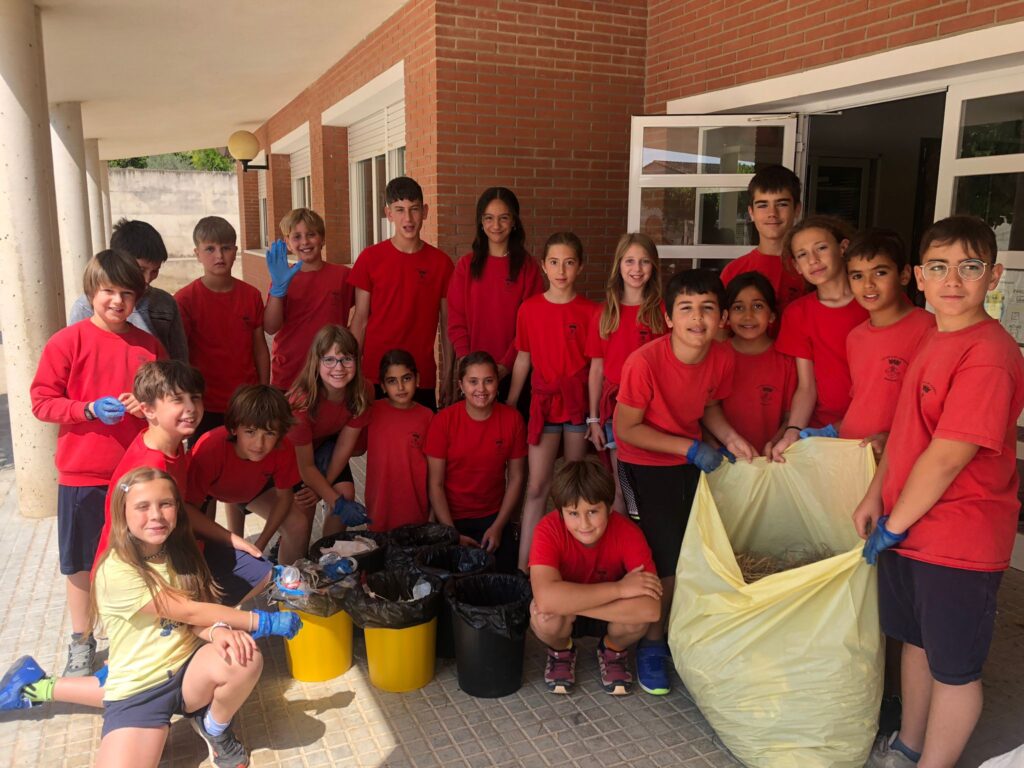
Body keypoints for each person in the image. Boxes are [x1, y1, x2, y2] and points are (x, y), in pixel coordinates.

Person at [853, 217, 1024, 768]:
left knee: (954, 667)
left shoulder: (990, 354)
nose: (954, 281)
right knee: (917, 645)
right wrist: (877, 495)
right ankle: (908, 745)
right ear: (919, 278)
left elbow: (950, 454)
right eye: (940, 267)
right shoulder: (935, 335)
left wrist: (896, 524)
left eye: (970, 268)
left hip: (958, 539)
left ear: (993, 276)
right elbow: (907, 433)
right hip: (911, 527)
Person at [0, 467, 302, 768]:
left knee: (244, 656)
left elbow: (192, 617)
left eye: (166, 504)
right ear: (122, 513)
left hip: (185, 669)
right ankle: (36, 686)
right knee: (117, 688)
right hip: (139, 691)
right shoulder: (117, 570)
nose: (156, 515)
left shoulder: (175, 550)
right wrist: (261, 622)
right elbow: (188, 611)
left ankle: (213, 726)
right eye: (142, 507)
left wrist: (217, 631)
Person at [614, 268, 755, 695]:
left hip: (684, 461)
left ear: (723, 317)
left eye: (708, 308)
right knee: (664, 556)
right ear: (668, 316)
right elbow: (626, 429)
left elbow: (710, 408)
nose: (698, 318)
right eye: (687, 309)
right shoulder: (644, 362)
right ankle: (652, 645)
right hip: (641, 462)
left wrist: (732, 439)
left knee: (695, 551)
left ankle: (678, 634)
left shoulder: (723, 357)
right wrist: (689, 449)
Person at [30, 250, 164, 677]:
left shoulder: (148, 347)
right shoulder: (67, 342)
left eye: (127, 293)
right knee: (81, 561)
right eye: (109, 291)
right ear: (92, 293)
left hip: (136, 473)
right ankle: (81, 639)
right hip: (82, 473)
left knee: (141, 556)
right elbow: (41, 402)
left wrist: (143, 409)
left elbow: (162, 401)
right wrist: (85, 409)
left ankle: (142, 629)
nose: (117, 302)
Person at [94, 361, 272, 609]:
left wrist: (232, 539)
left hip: (171, 543)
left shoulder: (171, 442)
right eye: (177, 400)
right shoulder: (151, 466)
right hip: (140, 569)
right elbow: (141, 539)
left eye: (195, 398)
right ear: (148, 410)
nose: (191, 408)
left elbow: (182, 509)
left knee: (259, 570)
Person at [528, 457, 660, 696]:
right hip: (594, 608)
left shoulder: (628, 533)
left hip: (604, 615)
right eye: (573, 513)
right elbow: (546, 601)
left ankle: (613, 650)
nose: (584, 524)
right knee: (544, 617)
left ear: (609, 507)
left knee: (638, 619)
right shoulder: (547, 530)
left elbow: (650, 610)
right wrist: (620, 590)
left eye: (592, 511)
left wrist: (567, 603)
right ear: (560, 513)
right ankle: (561, 651)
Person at [507, 232, 599, 571]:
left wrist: (593, 416)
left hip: (576, 408)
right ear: (544, 266)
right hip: (543, 407)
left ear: (580, 267)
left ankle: (569, 565)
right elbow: (523, 359)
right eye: (555, 262)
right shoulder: (530, 308)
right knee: (536, 487)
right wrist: (513, 403)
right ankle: (524, 569)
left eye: (569, 262)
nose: (561, 270)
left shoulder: (591, 311)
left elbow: (595, 370)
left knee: (574, 491)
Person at [801, 229, 933, 456]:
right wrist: (833, 431)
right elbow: (867, 402)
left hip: (896, 456)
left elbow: (934, 410)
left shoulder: (929, 329)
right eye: (857, 276)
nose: (868, 284)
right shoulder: (856, 337)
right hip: (853, 455)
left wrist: (892, 439)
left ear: (904, 274)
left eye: (880, 273)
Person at [349, 176, 455, 410]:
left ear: (425, 211)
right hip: (375, 374)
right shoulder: (370, 258)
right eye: (400, 210)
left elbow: (447, 324)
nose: (408, 218)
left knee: (423, 443)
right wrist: (352, 370)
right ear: (388, 213)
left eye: (414, 209)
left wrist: (448, 375)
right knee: (377, 441)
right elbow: (360, 319)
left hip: (420, 375)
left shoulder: (442, 264)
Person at [769, 215, 869, 461]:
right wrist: (793, 431)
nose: (813, 260)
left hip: (872, 428)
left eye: (821, 248)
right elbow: (806, 386)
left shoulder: (875, 302)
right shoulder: (798, 313)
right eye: (802, 255)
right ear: (796, 265)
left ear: (843, 248)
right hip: (823, 435)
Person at [426, 351, 527, 572]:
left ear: (497, 383)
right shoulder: (443, 421)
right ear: (461, 385)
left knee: (505, 582)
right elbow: (435, 484)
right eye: (473, 382)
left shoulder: (512, 420)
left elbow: (517, 477)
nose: (481, 389)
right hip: (451, 518)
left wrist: (499, 526)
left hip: (493, 518)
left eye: (488, 381)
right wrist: (451, 533)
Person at [446, 187, 544, 416]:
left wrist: (504, 365)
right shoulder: (466, 266)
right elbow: (456, 318)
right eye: (489, 218)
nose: (496, 226)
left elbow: (529, 326)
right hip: (473, 377)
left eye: (503, 218)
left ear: (514, 222)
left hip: (513, 373)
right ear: (481, 222)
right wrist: (468, 364)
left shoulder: (528, 268)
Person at [586, 233, 666, 510]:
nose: (637, 268)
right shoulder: (605, 313)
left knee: (652, 483)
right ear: (618, 266)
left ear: (654, 266)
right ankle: (626, 546)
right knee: (623, 487)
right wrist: (593, 419)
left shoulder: (662, 311)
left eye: (644, 262)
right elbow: (596, 369)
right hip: (616, 411)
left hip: (655, 411)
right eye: (630, 261)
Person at [175, 216, 269, 442]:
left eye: (226, 248)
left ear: (235, 250)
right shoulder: (185, 300)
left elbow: (260, 348)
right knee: (208, 465)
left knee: (247, 464)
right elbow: (181, 357)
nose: (219, 255)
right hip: (204, 403)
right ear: (197, 253)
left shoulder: (251, 295)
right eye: (210, 249)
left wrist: (264, 391)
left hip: (245, 400)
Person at [285, 325, 372, 560]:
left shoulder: (362, 391)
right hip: (288, 455)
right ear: (316, 361)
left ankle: (325, 557)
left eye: (346, 359)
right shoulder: (301, 404)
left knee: (344, 492)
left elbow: (344, 447)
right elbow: (305, 467)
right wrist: (324, 494)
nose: (339, 368)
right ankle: (290, 571)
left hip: (324, 446)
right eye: (330, 360)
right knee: (302, 512)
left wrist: (334, 496)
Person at [187, 385, 303, 560]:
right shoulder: (209, 448)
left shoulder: (283, 447)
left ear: (280, 434)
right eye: (250, 432)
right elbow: (189, 510)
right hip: (207, 493)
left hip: (251, 488)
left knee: (297, 523)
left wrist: (259, 545)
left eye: (270, 433)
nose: (259, 444)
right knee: (199, 543)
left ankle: (287, 581)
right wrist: (231, 540)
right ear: (234, 428)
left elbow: (284, 497)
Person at [69, 219, 189, 362]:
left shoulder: (165, 304)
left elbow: (179, 359)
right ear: (119, 260)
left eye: (155, 271)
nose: (147, 279)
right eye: (141, 269)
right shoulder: (86, 306)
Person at [263, 208, 354, 390]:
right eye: (296, 237)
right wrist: (278, 290)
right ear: (288, 243)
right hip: (290, 373)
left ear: (323, 239)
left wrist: (350, 339)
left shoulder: (342, 275)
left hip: (331, 372)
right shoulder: (283, 277)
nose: (305, 242)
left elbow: (367, 310)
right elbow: (270, 327)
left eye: (311, 234)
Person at [720, 165, 807, 328]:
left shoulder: (812, 267)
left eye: (781, 204)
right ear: (751, 212)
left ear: (797, 209)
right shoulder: (734, 271)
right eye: (762, 205)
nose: (772, 213)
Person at [720, 272, 796, 455]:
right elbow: (705, 412)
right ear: (726, 316)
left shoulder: (787, 361)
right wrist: (717, 448)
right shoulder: (716, 357)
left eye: (757, 306)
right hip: (723, 461)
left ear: (772, 315)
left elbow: (790, 418)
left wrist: (776, 444)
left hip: (772, 461)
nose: (748, 315)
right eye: (738, 308)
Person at [363, 350, 433, 532]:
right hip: (379, 511)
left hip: (415, 512)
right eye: (392, 381)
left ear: (417, 379)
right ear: (383, 386)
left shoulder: (428, 417)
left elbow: (435, 470)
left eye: (406, 378)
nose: (400, 387)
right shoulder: (372, 412)